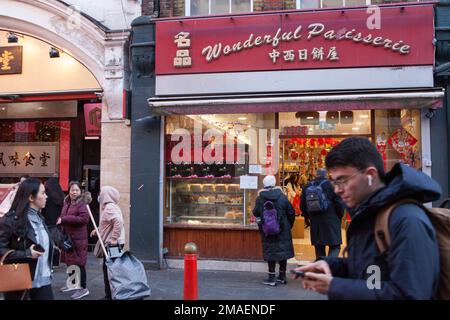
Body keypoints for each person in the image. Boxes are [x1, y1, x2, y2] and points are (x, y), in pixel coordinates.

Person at [296, 137, 440, 299]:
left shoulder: (406, 219)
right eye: (334, 182)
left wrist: (335, 286)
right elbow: (370, 270)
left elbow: (410, 294)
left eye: (342, 180)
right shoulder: (369, 214)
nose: (337, 190)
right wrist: (331, 265)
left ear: (370, 174)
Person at [0, 178, 55, 300]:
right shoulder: (10, 221)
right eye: (42, 193)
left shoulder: (40, 219)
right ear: (31, 198)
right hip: (19, 283)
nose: (46, 196)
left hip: (44, 282)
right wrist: (27, 253)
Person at [253, 175, 295, 286]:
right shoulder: (282, 197)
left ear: (264, 184)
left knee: (271, 251)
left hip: (267, 230)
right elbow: (291, 212)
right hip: (283, 229)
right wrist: (288, 225)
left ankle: (271, 277)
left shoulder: (260, 198)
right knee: (282, 252)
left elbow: (255, 212)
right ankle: (282, 276)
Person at [57, 181, 91, 300]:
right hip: (68, 237)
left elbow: (84, 219)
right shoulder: (67, 202)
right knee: (69, 261)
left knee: (79, 263)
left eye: (76, 190)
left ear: (80, 191)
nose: (74, 192)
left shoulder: (81, 203)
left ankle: (83, 288)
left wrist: (65, 219)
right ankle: (72, 284)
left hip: (78, 239)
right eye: (72, 190)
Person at [90, 186, 125, 300]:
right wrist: (98, 230)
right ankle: (110, 295)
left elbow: (118, 222)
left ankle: (110, 296)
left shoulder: (109, 207)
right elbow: (109, 223)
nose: (99, 196)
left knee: (110, 271)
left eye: (101, 193)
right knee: (111, 269)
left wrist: (114, 239)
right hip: (113, 244)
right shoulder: (111, 207)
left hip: (112, 245)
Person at [300, 168, 344, 259]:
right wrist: (339, 216)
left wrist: (308, 217)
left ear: (316, 175)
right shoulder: (332, 185)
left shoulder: (307, 186)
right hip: (332, 220)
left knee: (319, 248)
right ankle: (329, 265)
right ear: (326, 175)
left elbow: (302, 206)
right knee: (335, 246)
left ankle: (322, 268)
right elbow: (339, 204)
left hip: (315, 222)